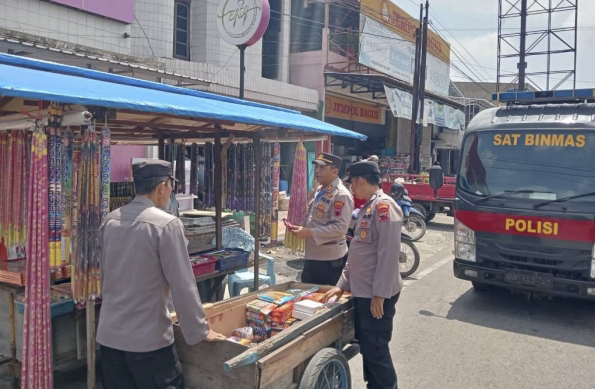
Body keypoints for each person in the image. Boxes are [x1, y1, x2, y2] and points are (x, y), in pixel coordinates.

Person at [97, 159, 226, 389]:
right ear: (160, 188)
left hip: (110, 339)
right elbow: (182, 285)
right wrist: (199, 330)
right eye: (169, 187)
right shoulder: (167, 225)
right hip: (148, 344)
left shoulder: (110, 220)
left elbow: (106, 277)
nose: (169, 193)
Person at [325, 161, 403, 389]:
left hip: (375, 295)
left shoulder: (384, 208)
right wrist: (342, 284)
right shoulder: (369, 207)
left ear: (360, 180)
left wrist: (380, 294)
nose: (351, 190)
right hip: (364, 292)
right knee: (368, 347)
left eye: (352, 184)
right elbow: (358, 252)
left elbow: (388, 255)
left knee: (377, 349)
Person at [291, 152, 354, 286]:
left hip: (330, 261)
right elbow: (313, 217)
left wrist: (309, 233)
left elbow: (340, 228)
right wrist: (301, 227)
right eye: (317, 168)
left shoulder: (341, 195)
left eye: (322, 168)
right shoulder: (321, 189)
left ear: (335, 171)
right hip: (313, 255)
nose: (317, 172)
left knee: (326, 302)